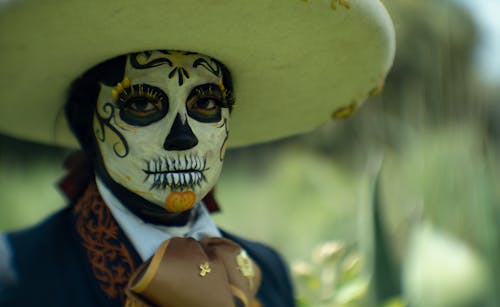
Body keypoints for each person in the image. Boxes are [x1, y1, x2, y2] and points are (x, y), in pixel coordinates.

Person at [0, 0, 395, 306]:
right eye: (142, 104)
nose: (183, 137)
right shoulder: (17, 275)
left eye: (206, 104)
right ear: (86, 125)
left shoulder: (266, 273)